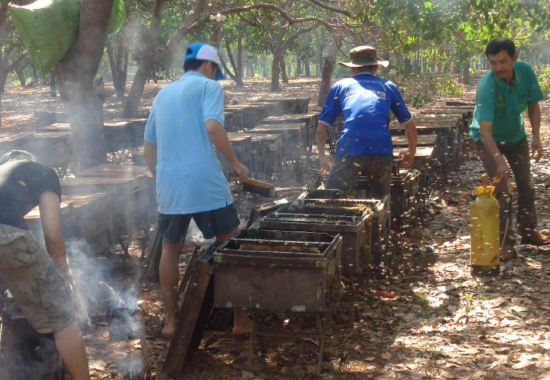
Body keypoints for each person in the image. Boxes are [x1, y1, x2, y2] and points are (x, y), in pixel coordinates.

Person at [143, 43, 252, 338]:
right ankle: (240, 320)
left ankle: (171, 321)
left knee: (170, 248)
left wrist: (160, 176)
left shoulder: (162, 94)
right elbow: (213, 127)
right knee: (229, 244)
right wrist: (236, 163)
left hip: (170, 186)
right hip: (205, 182)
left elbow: (148, 146)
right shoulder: (209, 88)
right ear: (208, 66)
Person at [0, 150, 90, 380]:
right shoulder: (44, 173)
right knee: (63, 317)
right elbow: (52, 234)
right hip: (6, 234)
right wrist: (62, 277)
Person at [469, 37, 548, 260]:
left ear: (514, 58)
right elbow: (485, 132)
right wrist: (499, 161)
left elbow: (534, 106)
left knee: (526, 185)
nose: (498, 68)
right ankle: (505, 241)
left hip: (516, 136)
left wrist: (536, 138)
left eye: (503, 61)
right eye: (493, 62)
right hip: (487, 140)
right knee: (501, 191)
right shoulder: (487, 86)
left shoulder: (525, 72)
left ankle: (529, 230)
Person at [316, 45, 417, 198]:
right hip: (381, 151)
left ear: (353, 68)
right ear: (375, 67)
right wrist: (411, 152)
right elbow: (410, 126)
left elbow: (321, 129)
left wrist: (322, 157)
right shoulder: (388, 87)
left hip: (350, 149)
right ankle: (381, 216)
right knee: (381, 201)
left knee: (331, 198)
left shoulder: (341, 87)